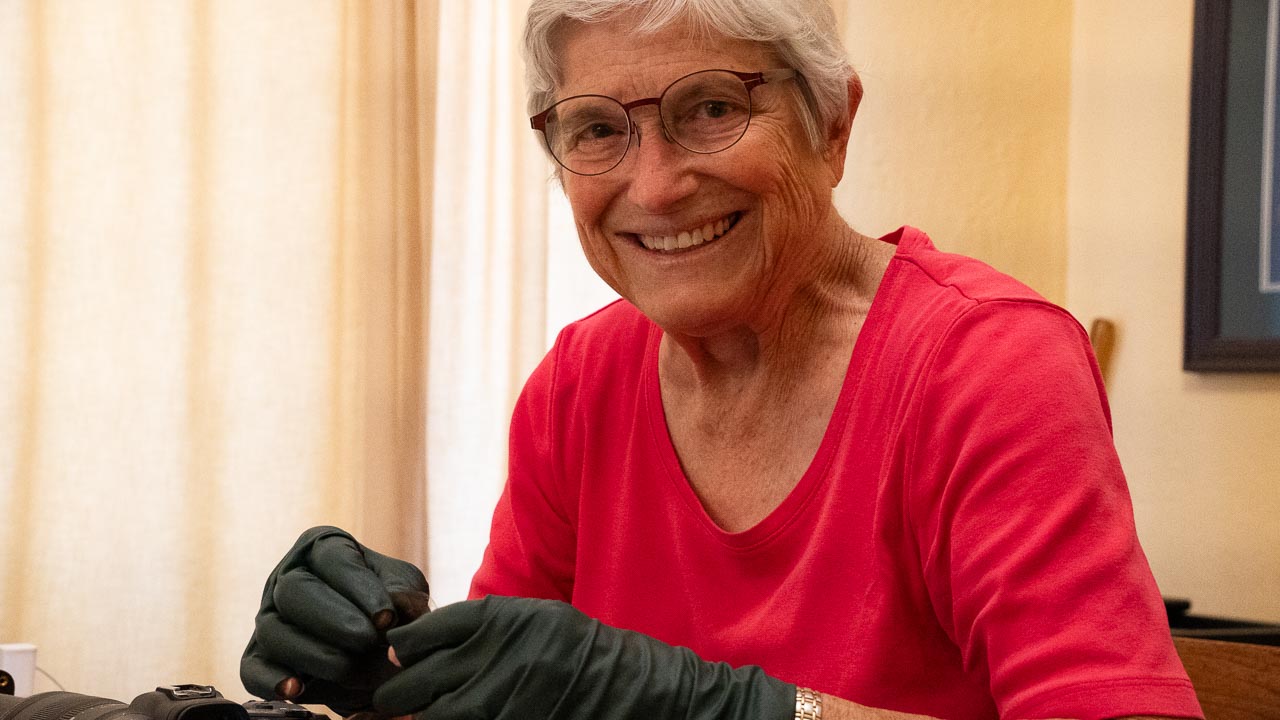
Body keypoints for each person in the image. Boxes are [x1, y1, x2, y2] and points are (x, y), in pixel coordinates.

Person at [241, 1, 1205, 718]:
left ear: (831, 126)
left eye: (710, 108)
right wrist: (382, 664)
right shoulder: (579, 387)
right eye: (598, 129)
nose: (654, 186)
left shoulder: (987, 368)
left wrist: (737, 711)